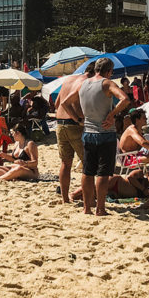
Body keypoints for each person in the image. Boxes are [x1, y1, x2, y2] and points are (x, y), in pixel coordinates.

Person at [64, 56, 131, 216]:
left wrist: (78, 119)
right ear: (109, 71)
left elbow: (65, 102)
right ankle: (100, 208)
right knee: (103, 173)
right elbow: (125, 99)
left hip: (88, 132)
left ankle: (87, 208)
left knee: (87, 172)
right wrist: (112, 115)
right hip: (105, 134)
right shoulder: (107, 83)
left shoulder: (83, 84)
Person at [53, 67, 88, 204]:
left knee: (65, 163)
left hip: (60, 125)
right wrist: (78, 118)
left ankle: (65, 198)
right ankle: (87, 199)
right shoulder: (86, 81)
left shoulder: (68, 80)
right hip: (75, 125)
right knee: (87, 164)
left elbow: (57, 104)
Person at [72, 164, 149, 202]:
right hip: (116, 182)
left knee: (93, 194)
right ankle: (72, 194)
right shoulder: (140, 174)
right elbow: (130, 177)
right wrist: (143, 189)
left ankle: (75, 196)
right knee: (95, 187)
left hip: (116, 193)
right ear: (148, 174)